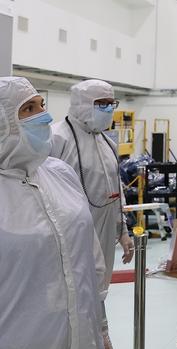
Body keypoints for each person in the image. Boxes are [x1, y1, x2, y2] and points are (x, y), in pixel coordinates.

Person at [0, 77, 114, 349]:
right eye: (27, 110)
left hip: (81, 341)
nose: (43, 117)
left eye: (41, 106)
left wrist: (101, 325)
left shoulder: (59, 175)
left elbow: (89, 261)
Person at [51, 79, 134, 298]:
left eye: (111, 103)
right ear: (82, 104)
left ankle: (99, 329)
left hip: (106, 228)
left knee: (100, 288)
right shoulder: (58, 137)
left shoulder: (107, 143)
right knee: (71, 289)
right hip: (71, 230)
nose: (108, 109)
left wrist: (123, 231)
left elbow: (116, 189)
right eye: (102, 103)